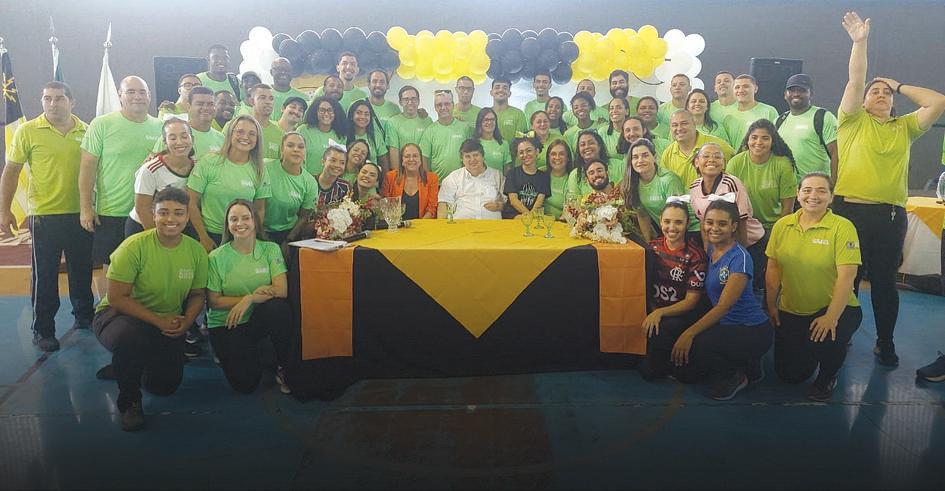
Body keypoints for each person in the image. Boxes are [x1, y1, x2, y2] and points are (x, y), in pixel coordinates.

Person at [833, 11, 945, 366]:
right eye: (874, 92)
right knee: (847, 279)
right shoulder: (851, 121)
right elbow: (856, 79)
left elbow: (938, 102)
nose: (880, 95)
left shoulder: (905, 127)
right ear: (863, 101)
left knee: (883, 283)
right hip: (849, 212)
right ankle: (840, 336)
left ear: (893, 101)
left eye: (885, 93)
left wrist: (897, 85)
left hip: (890, 216)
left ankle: (885, 342)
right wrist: (860, 43)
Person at [92, 187, 208, 431]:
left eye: (178, 213)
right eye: (163, 212)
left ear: (187, 217)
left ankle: (127, 365)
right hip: (119, 317)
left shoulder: (196, 251)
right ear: (153, 215)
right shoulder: (133, 247)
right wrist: (157, 321)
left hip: (165, 320)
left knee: (164, 387)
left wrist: (187, 321)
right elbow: (117, 298)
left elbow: (198, 294)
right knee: (131, 339)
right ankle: (130, 402)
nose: (171, 219)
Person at [0, 81, 93, 351]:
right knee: (45, 276)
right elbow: (11, 172)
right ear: (42, 101)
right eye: (47, 98)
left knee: (82, 270)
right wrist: (4, 210)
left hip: (81, 213)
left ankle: (85, 316)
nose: (53, 103)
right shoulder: (28, 131)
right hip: (44, 216)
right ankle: (43, 329)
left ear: (72, 102)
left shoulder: (88, 130)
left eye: (59, 98)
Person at [765, 172, 863, 401]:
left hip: (835, 308)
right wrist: (771, 305)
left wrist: (831, 317)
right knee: (789, 375)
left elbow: (847, 277)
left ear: (831, 197)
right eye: (807, 190)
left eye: (821, 190)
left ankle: (828, 375)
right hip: (792, 309)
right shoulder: (782, 225)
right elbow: (773, 267)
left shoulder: (842, 227)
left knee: (829, 338)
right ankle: (810, 352)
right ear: (798, 194)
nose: (813, 196)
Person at [671, 199, 773, 400]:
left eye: (722, 224)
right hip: (725, 325)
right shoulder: (711, 248)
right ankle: (748, 364)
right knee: (684, 373)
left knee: (696, 347)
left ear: (734, 226)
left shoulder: (740, 258)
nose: (714, 228)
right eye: (709, 222)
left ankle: (738, 374)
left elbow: (724, 307)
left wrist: (689, 333)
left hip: (750, 329)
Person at [79, 76, 163, 279]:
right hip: (113, 211)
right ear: (120, 95)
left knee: (147, 265)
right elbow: (87, 168)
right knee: (111, 264)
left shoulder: (162, 127)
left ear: (149, 96)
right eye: (131, 92)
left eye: (142, 92)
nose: (137, 97)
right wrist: (86, 208)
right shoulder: (102, 124)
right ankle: (107, 301)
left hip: (150, 212)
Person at [207, 199, 291, 395]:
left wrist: (250, 299)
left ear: (255, 221)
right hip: (228, 322)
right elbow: (214, 301)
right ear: (227, 224)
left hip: (257, 317)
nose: (240, 223)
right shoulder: (216, 257)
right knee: (245, 385)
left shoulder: (270, 249)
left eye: (246, 218)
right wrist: (249, 297)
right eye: (234, 219)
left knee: (278, 308)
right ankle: (246, 351)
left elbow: (281, 290)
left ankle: (284, 365)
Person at [639, 200, 707, 381]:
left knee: (650, 373)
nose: (672, 227)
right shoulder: (652, 248)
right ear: (660, 221)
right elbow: (644, 285)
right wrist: (653, 309)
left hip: (679, 314)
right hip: (654, 308)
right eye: (667, 221)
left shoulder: (695, 255)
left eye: (678, 222)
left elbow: (691, 302)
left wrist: (660, 313)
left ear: (687, 224)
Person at [726, 119, 798, 289]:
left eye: (765, 138)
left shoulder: (783, 164)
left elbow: (787, 208)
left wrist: (777, 236)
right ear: (747, 140)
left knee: (768, 276)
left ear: (773, 141)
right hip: (744, 225)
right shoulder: (736, 162)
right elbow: (729, 203)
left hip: (772, 227)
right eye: (754, 137)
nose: (758, 142)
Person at [188, 115, 271, 251]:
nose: (245, 137)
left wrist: (251, 237)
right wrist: (203, 237)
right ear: (230, 134)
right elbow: (191, 202)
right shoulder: (208, 162)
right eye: (240, 131)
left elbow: (259, 209)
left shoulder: (259, 169)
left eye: (252, 134)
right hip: (210, 235)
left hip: (241, 236)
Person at [128, 118, 196, 237]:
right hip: (145, 226)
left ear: (192, 139)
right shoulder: (150, 169)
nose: (179, 142)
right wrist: (160, 240)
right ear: (165, 142)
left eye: (184, 137)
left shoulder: (198, 168)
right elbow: (142, 209)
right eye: (173, 138)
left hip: (177, 227)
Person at [689, 142, 765, 248]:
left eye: (717, 156)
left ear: (724, 163)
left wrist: (741, 252)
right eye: (706, 156)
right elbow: (703, 223)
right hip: (720, 244)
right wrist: (707, 251)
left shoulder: (731, 183)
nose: (711, 160)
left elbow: (741, 222)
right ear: (697, 162)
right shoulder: (694, 187)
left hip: (749, 243)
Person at [621, 139, 692, 241]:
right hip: (667, 231)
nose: (640, 160)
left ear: (654, 157)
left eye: (645, 155)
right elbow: (643, 216)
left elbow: (678, 215)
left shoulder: (668, 179)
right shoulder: (633, 184)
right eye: (635, 157)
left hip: (689, 229)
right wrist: (648, 243)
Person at [777, 74, 839, 182]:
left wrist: (832, 185)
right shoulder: (779, 120)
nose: (796, 94)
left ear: (811, 94)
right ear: (785, 95)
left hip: (816, 187)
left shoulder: (823, 117)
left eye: (802, 90)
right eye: (792, 90)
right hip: (787, 187)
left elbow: (836, 154)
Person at [263, 132, 317, 245]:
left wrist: (289, 240)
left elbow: (304, 217)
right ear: (282, 150)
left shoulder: (310, 182)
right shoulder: (265, 168)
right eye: (290, 145)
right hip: (259, 230)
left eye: (300, 147)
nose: (296, 149)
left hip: (288, 234)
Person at [660, 110, 734, 187]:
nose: (679, 128)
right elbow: (664, 185)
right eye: (675, 125)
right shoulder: (668, 154)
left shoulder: (719, 146)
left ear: (694, 124)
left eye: (684, 123)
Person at [437, 139, 505, 220]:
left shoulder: (497, 176)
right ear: (462, 159)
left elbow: (506, 203)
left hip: (492, 226)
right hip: (461, 226)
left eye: (475, 155)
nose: (472, 160)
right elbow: (443, 207)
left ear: (483, 157)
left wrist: (499, 206)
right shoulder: (452, 178)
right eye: (467, 156)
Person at [153, 86, 224, 159]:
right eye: (200, 104)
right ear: (189, 107)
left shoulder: (221, 138)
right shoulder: (172, 136)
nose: (206, 108)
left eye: (210, 104)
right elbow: (153, 163)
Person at [420, 90, 472, 180]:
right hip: (438, 183)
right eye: (439, 105)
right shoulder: (429, 131)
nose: (443, 107)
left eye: (447, 104)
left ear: (453, 105)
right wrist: (429, 181)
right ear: (435, 108)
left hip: (462, 182)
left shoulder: (465, 128)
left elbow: (471, 153)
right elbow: (424, 158)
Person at [224, 84, 283, 160]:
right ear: (252, 101)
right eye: (262, 98)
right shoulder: (232, 126)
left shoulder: (279, 133)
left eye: (271, 99)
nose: (268, 102)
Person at [382, 143, 440, 220]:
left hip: (423, 224)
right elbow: (386, 206)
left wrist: (420, 225)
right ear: (402, 161)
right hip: (396, 224)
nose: (411, 159)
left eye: (415, 156)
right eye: (407, 156)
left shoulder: (432, 178)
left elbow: (431, 209)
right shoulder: (390, 177)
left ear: (420, 160)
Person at [721, 74, 779, 149]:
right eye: (737, 87)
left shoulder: (769, 111)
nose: (741, 90)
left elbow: (777, 141)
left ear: (755, 89)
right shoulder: (728, 117)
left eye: (746, 86)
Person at [385, 85, 432, 171]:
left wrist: (427, 175)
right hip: (404, 173)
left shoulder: (428, 121)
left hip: (425, 173)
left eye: (413, 99)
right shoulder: (393, 122)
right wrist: (397, 175)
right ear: (400, 102)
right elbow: (394, 152)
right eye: (406, 99)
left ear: (418, 101)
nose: (410, 102)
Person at [503, 136, 550, 218]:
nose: (525, 155)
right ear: (517, 156)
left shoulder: (544, 176)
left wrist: (530, 217)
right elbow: (513, 201)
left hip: (534, 216)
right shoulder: (512, 173)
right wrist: (528, 217)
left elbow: (539, 201)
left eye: (529, 151)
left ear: (537, 151)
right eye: (521, 152)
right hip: (514, 216)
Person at [298, 96, 346, 176]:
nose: (326, 114)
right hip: (305, 179)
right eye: (322, 110)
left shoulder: (340, 135)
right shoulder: (303, 130)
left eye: (330, 110)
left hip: (330, 181)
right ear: (315, 112)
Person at [567, 130, 623, 198]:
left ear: (599, 146)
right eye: (582, 145)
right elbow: (574, 202)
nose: (587, 147)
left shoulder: (619, 165)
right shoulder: (575, 175)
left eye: (591, 143)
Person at [346, 99, 389, 171]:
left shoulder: (376, 135)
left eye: (366, 114)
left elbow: (383, 161)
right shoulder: (344, 135)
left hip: (371, 176)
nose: (363, 117)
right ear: (351, 115)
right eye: (359, 113)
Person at [269, 58, 308, 122]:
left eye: (287, 70)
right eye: (279, 69)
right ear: (271, 72)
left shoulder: (303, 98)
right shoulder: (264, 96)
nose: (283, 72)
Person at [489, 78, 528, 143]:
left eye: (505, 88)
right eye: (497, 87)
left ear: (509, 93)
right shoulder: (485, 114)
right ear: (491, 92)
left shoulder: (518, 114)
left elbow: (522, 141)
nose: (501, 90)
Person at [542, 139, 573, 220]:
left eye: (561, 154)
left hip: (561, 223)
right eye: (553, 154)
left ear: (568, 157)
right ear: (548, 157)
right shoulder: (541, 173)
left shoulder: (573, 178)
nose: (557, 157)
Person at [474, 107, 511, 174]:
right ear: (480, 122)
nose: (489, 122)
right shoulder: (473, 143)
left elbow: (507, 169)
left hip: (498, 180)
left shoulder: (503, 143)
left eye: (492, 119)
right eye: (486, 120)